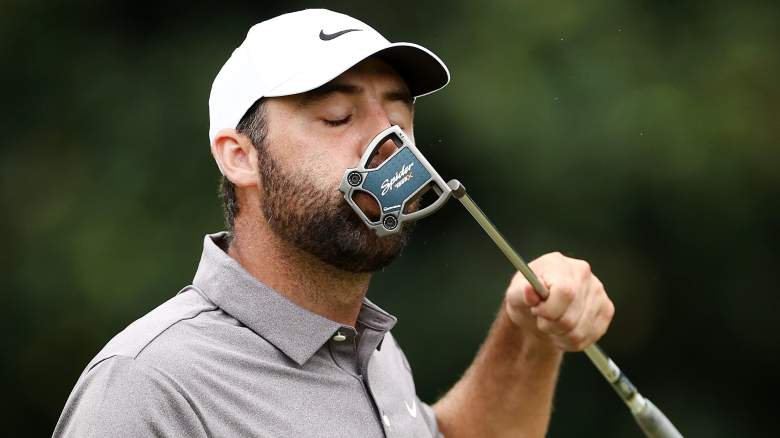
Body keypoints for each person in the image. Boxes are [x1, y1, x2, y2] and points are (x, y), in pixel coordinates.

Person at [53, 9, 614, 438]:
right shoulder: (147, 386)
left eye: (398, 117)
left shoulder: (368, 349)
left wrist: (527, 332)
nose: (386, 146)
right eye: (337, 117)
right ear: (240, 157)